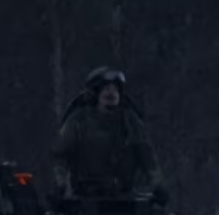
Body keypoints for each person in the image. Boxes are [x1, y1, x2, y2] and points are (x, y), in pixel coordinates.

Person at [51, 67, 168, 206]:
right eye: (106, 89)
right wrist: (60, 184)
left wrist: (158, 185)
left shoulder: (130, 121)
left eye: (115, 89)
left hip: (125, 199)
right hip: (86, 200)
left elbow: (147, 156)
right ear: (96, 94)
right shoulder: (78, 122)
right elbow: (61, 155)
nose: (111, 93)